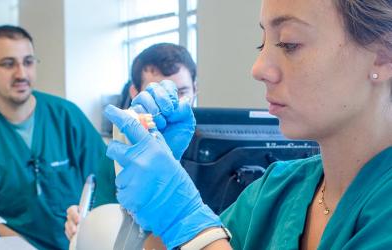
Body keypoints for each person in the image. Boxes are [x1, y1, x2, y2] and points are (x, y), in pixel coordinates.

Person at [103, 0, 392, 249]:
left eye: (289, 43)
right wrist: (155, 210)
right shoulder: (275, 191)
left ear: (382, 56)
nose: (259, 68)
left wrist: (187, 221)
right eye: (263, 42)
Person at [0, 25, 107, 250]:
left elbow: (104, 184)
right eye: (8, 64)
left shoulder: (67, 116)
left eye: (28, 62)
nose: (21, 73)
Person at [64, 43, 198, 243]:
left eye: (182, 92)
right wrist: (88, 228)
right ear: (135, 93)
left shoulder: (219, 147)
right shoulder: (121, 154)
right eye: (156, 92)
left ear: (195, 89)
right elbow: (110, 223)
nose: (171, 104)